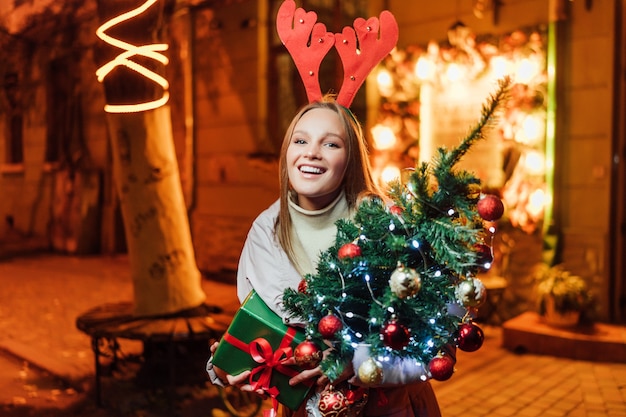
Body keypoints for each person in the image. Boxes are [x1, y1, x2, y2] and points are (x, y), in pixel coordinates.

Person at [206, 95, 446, 417]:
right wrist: (230, 364)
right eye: (300, 140)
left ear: (350, 160)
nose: (311, 152)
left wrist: (357, 364)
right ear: (287, 153)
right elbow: (262, 329)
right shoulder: (265, 233)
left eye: (331, 144)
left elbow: (435, 349)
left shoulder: (387, 228)